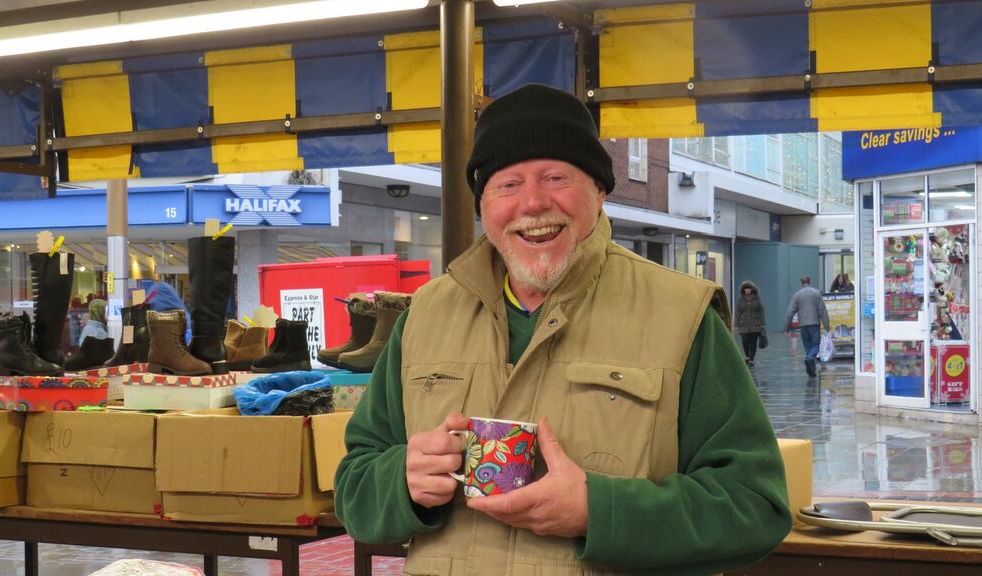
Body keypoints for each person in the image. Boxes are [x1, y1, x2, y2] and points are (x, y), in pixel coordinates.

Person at [334, 84, 791, 575]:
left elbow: (754, 507)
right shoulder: (424, 315)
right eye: (508, 184)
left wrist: (601, 511)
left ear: (599, 192)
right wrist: (401, 481)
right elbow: (354, 488)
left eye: (556, 177)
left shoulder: (683, 315)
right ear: (483, 205)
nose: (533, 203)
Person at [784, 276, 830, 377]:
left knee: (807, 345)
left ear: (801, 283)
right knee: (816, 344)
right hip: (814, 323)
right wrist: (827, 325)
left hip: (803, 325)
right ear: (810, 282)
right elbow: (822, 310)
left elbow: (790, 312)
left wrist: (786, 327)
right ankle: (809, 359)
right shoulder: (816, 293)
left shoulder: (797, 295)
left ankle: (811, 370)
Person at [735, 280, 766, 368]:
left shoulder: (757, 298)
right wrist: (736, 324)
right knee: (744, 341)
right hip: (743, 324)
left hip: (755, 324)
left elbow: (761, 310)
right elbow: (737, 312)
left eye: (749, 288)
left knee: (753, 342)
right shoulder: (741, 299)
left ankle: (751, 359)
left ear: (752, 289)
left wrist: (762, 322)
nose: (747, 290)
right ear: (743, 290)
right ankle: (747, 356)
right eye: (745, 289)